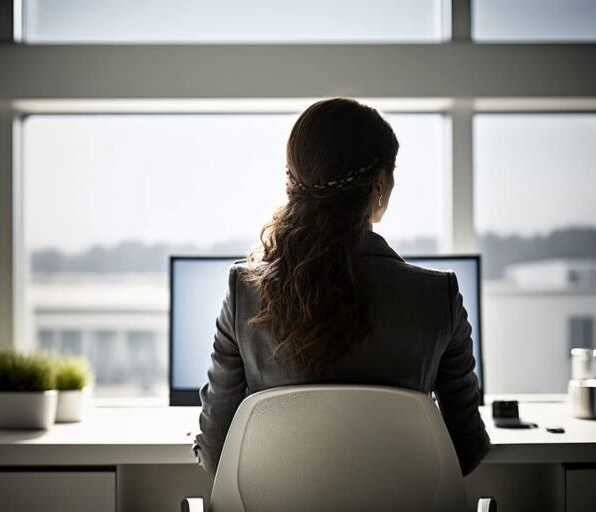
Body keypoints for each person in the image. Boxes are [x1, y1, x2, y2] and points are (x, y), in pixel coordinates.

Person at [194, 98, 490, 475]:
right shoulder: (438, 297)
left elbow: (216, 454)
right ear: (379, 184)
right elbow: (465, 450)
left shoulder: (245, 291)